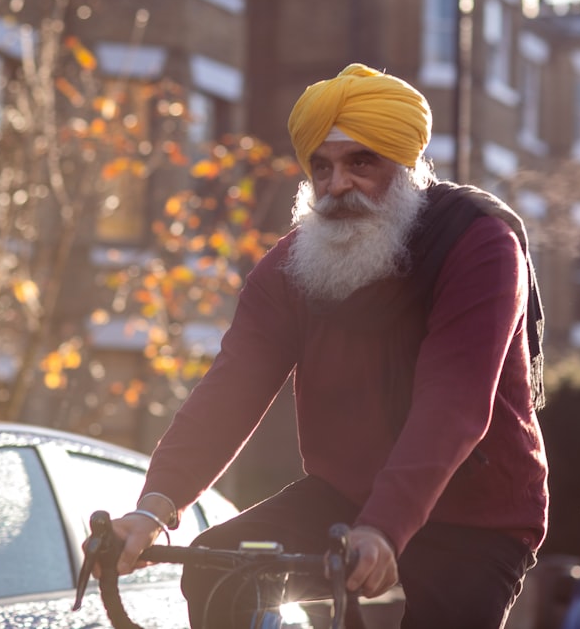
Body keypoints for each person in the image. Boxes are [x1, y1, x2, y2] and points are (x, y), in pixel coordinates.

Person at [98, 63, 549, 628]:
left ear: (407, 166)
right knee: (219, 569)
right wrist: (154, 508)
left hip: (477, 508)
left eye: (362, 162)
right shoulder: (293, 264)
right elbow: (230, 390)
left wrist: (385, 526)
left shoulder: (479, 243)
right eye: (322, 167)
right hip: (346, 497)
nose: (337, 186)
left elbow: (454, 402)